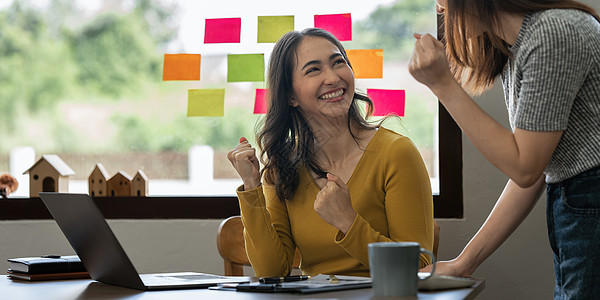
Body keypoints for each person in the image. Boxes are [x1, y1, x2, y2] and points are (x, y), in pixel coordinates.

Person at [408, 0, 600, 298]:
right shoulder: (523, 45)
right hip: (575, 204)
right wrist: (464, 263)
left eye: (442, 0)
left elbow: (525, 167)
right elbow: (534, 168)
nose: (439, 10)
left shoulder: (554, 32)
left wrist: (442, 84)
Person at [227, 28, 434, 277]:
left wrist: (348, 221)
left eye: (338, 63)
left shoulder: (397, 153)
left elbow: (420, 266)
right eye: (314, 70)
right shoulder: (281, 167)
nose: (334, 77)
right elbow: (272, 272)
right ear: (291, 96)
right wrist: (252, 187)